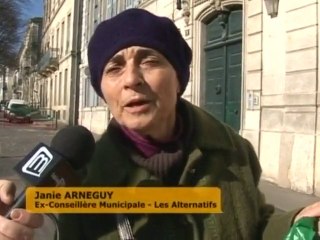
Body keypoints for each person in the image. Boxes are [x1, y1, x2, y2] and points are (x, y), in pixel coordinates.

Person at [1, 8, 320, 240]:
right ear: (103, 91)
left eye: (149, 60)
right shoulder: (77, 178)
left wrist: (293, 221)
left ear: (178, 78)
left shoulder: (231, 147)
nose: (131, 80)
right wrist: (35, 230)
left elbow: (253, 223)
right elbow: (54, 228)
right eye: (114, 68)